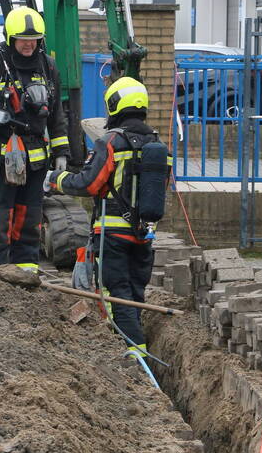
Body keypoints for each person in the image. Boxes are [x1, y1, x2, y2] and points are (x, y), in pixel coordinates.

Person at [47, 77, 170, 359]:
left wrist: (55, 179)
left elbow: (87, 185)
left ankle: (135, 357)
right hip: (144, 234)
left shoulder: (111, 142)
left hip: (112, 235)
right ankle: (136, 348)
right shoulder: (157, 143)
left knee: (117, 296)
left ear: (114, 105)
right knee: (135, 293)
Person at [0, 6, 70, 272]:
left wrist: (61, 152)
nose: (28, 44)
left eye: (33, 39)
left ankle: (26, 271)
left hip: (34, 160)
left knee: (29, 216)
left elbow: (56, 113)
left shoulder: (48, 66)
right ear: (10, 38)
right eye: (23, 39)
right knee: (0, 217)